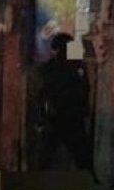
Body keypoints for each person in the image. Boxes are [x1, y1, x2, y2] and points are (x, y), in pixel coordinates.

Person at [36, 33, 95, 178]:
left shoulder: (49, 69)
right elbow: (85, 90)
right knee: (82, 160)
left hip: (57, 120)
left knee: (46, 159)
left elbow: (41, 95)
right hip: (70, 120)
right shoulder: (76, 69)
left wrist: (42, 119)